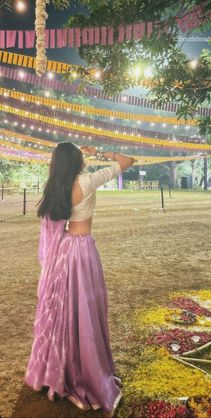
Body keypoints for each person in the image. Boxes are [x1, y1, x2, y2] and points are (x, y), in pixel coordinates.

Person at [24, 142, 135, 418]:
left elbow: (52, 229)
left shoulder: (55, 187)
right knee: (84, 311)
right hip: (82, 251)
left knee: (64, 313)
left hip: (63, 252)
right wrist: (102, 152)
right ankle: (85, 375)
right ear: (76, 160)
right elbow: (127, 160)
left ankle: (59, 371)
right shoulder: (88, 180)